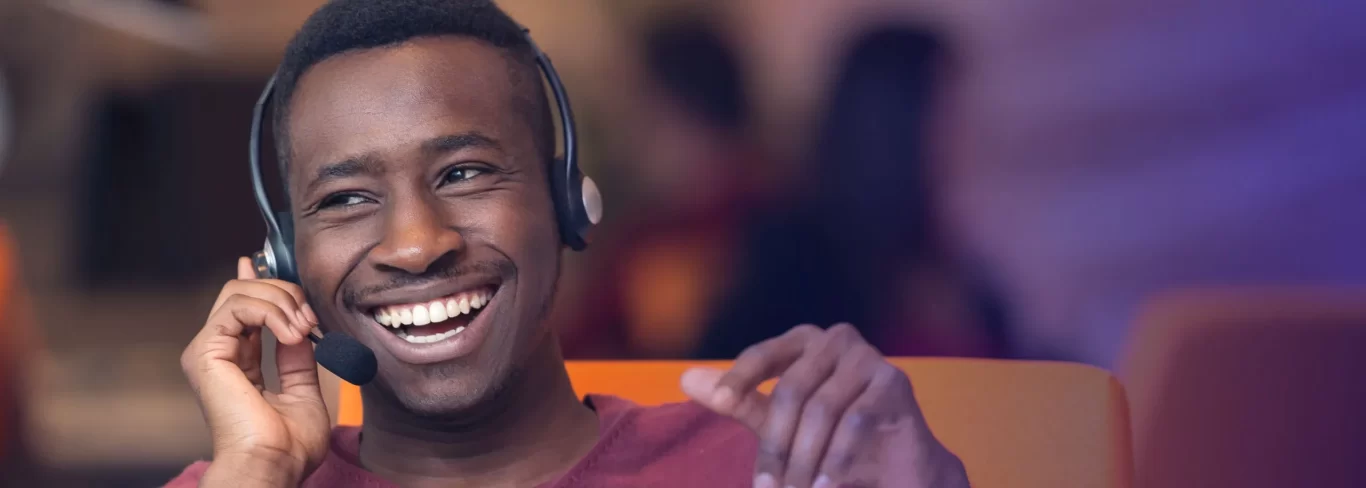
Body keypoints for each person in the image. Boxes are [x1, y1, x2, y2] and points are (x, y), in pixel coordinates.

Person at [165, 1, 969, 487]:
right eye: (345, 198)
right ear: (284, 255)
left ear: (566, 203)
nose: (415, 245)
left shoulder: (769, 466)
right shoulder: (242, 481)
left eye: (465, 173)